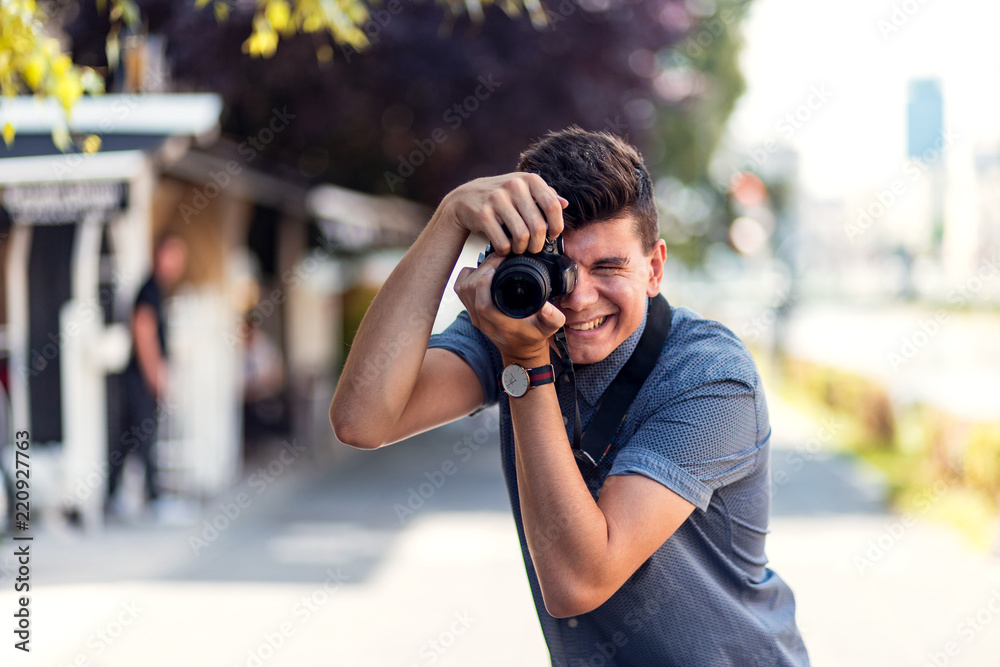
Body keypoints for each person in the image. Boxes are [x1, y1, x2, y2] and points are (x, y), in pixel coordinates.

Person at [330, 127, 810, 666]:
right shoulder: (520, 321)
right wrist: (448, 220)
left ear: (654, 268)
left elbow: (578, 582)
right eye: (556, 271)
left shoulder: (709, 376)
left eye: (609, 267)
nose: (578, 300)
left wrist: (526, 364)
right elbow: (362, 419)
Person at [107, 231, 187, 518]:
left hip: (138, 377)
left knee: (127, 438)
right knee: (145, 436)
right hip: (139, 378)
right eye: (174, 255)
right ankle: (154, 498)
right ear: (160, 255)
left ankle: (113, 494)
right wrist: (156, 375)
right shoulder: (149, 289)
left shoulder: (158, 289)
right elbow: (143, 330)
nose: (178, 263)